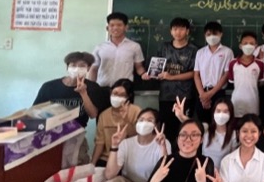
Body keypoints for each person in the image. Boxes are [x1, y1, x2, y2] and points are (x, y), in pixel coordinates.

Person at [33, 51, 110, 164]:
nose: (77, 69)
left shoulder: (93, 87)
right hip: (50, 135)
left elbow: (93, 114)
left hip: (76, 136)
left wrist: (83, 93)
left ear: (88, 68)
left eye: (82, 66)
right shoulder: (49, 86)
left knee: (76, 168)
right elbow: (35, 112)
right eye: (73, 65)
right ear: (67, 67)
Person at [142, 17, 198, 146]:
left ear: (187, 31)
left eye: (182, 29)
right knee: (167, 130)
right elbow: (156, 67)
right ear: (171, 31)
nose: (178, 32)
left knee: (184, 128)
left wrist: (171, 77)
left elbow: (193, 73)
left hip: (185, 96)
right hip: (166, 96)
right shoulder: (164, 47)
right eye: (175, 29)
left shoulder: (194, 50)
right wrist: (149, 74)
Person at [89, 12, 146, 91]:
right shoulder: (100, 47)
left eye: (119, 25)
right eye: (112, 25)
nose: (115, 28)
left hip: (125, 89)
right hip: (102, 88)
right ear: (107, 28)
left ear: (126, 27)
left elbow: (139, 67)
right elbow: (93, 69)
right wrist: (90, 87)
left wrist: (144, 74)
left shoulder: (135, 47)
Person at [91, 79, 141, 167]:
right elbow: (100, 142)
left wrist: (126, 120)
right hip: (106, 158)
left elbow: (138, 139)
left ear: (128, 97)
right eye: (115, 93)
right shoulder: (104, 115)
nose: (117, 97)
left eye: (122, 95)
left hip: (128, 158)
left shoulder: (136, 111)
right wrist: (92, 164)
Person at [194, 21, 234, 124]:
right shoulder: (200, 52)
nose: (212, 37)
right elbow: (196, 75)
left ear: (221, 34)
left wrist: (210, 94)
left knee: (219, 123)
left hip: (218, 93)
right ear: (204, 36)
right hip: (201, 93)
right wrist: (203, 95)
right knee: (203, 124)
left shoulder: (227, 52)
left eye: (215, 34)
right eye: (208, 34)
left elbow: (226, 74)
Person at [228, 31, 264, 118]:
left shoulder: (260, 64)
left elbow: (260, 82)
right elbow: (232, 81)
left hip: (253, 103)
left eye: (252, 43)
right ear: (240, 46)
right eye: (245, 43)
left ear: (256, 46)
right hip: (236, 102)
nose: (248, 45)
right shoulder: (232, 63)